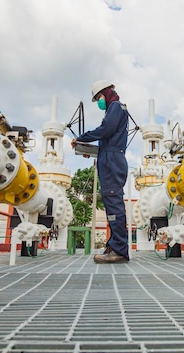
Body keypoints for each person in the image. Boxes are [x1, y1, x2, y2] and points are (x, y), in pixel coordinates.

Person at [71, 80, 129, 263]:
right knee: (112, 205)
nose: (98, 102)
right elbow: (110, 139)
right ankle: (114, 246)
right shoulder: (114, 109)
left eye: (98, 98)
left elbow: (106, 130)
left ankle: (119, 250)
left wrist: (82, 138)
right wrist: (91, 150)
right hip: (109, 159)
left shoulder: (115, 107)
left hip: (112, 162)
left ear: (106, 92)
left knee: (114, 204)